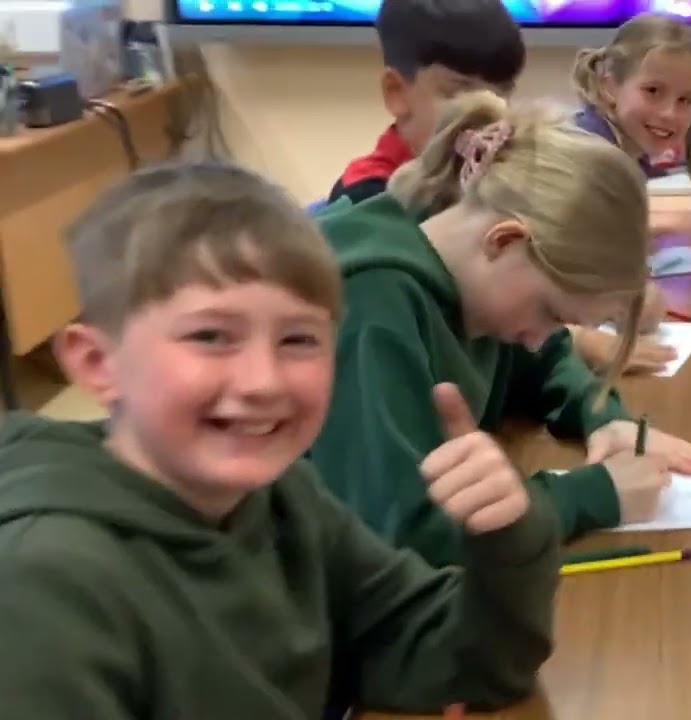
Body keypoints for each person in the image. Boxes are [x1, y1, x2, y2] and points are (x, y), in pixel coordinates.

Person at [0, 162, 559, 717]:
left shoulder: (286, 497)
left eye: (298, 339)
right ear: (98, 363)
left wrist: (509, 538)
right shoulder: (44, 587)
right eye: (211, 336)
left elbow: (456, 661)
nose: (263, 382)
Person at [309, 90, 691, 568]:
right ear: (505, 240)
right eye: (551, 312)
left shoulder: (455, 260)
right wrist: (590, 496)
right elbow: (400, 535)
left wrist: (601, 415)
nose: (545, 335)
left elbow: (542, 358)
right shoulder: (372, 306)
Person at [568, 12, 691, 372]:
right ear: (610, 85)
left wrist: (643, 232)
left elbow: (587, 238)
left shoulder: (623, 148)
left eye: (685, 101)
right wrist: (619, 304)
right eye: (653, 91)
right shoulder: (591, 160)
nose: (669, 113)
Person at [327, 0, 525, 206]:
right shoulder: (363, 200)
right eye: (461, 92)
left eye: (502, 93)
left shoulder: (510, 183)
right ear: (396, 92)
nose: (489, 114)